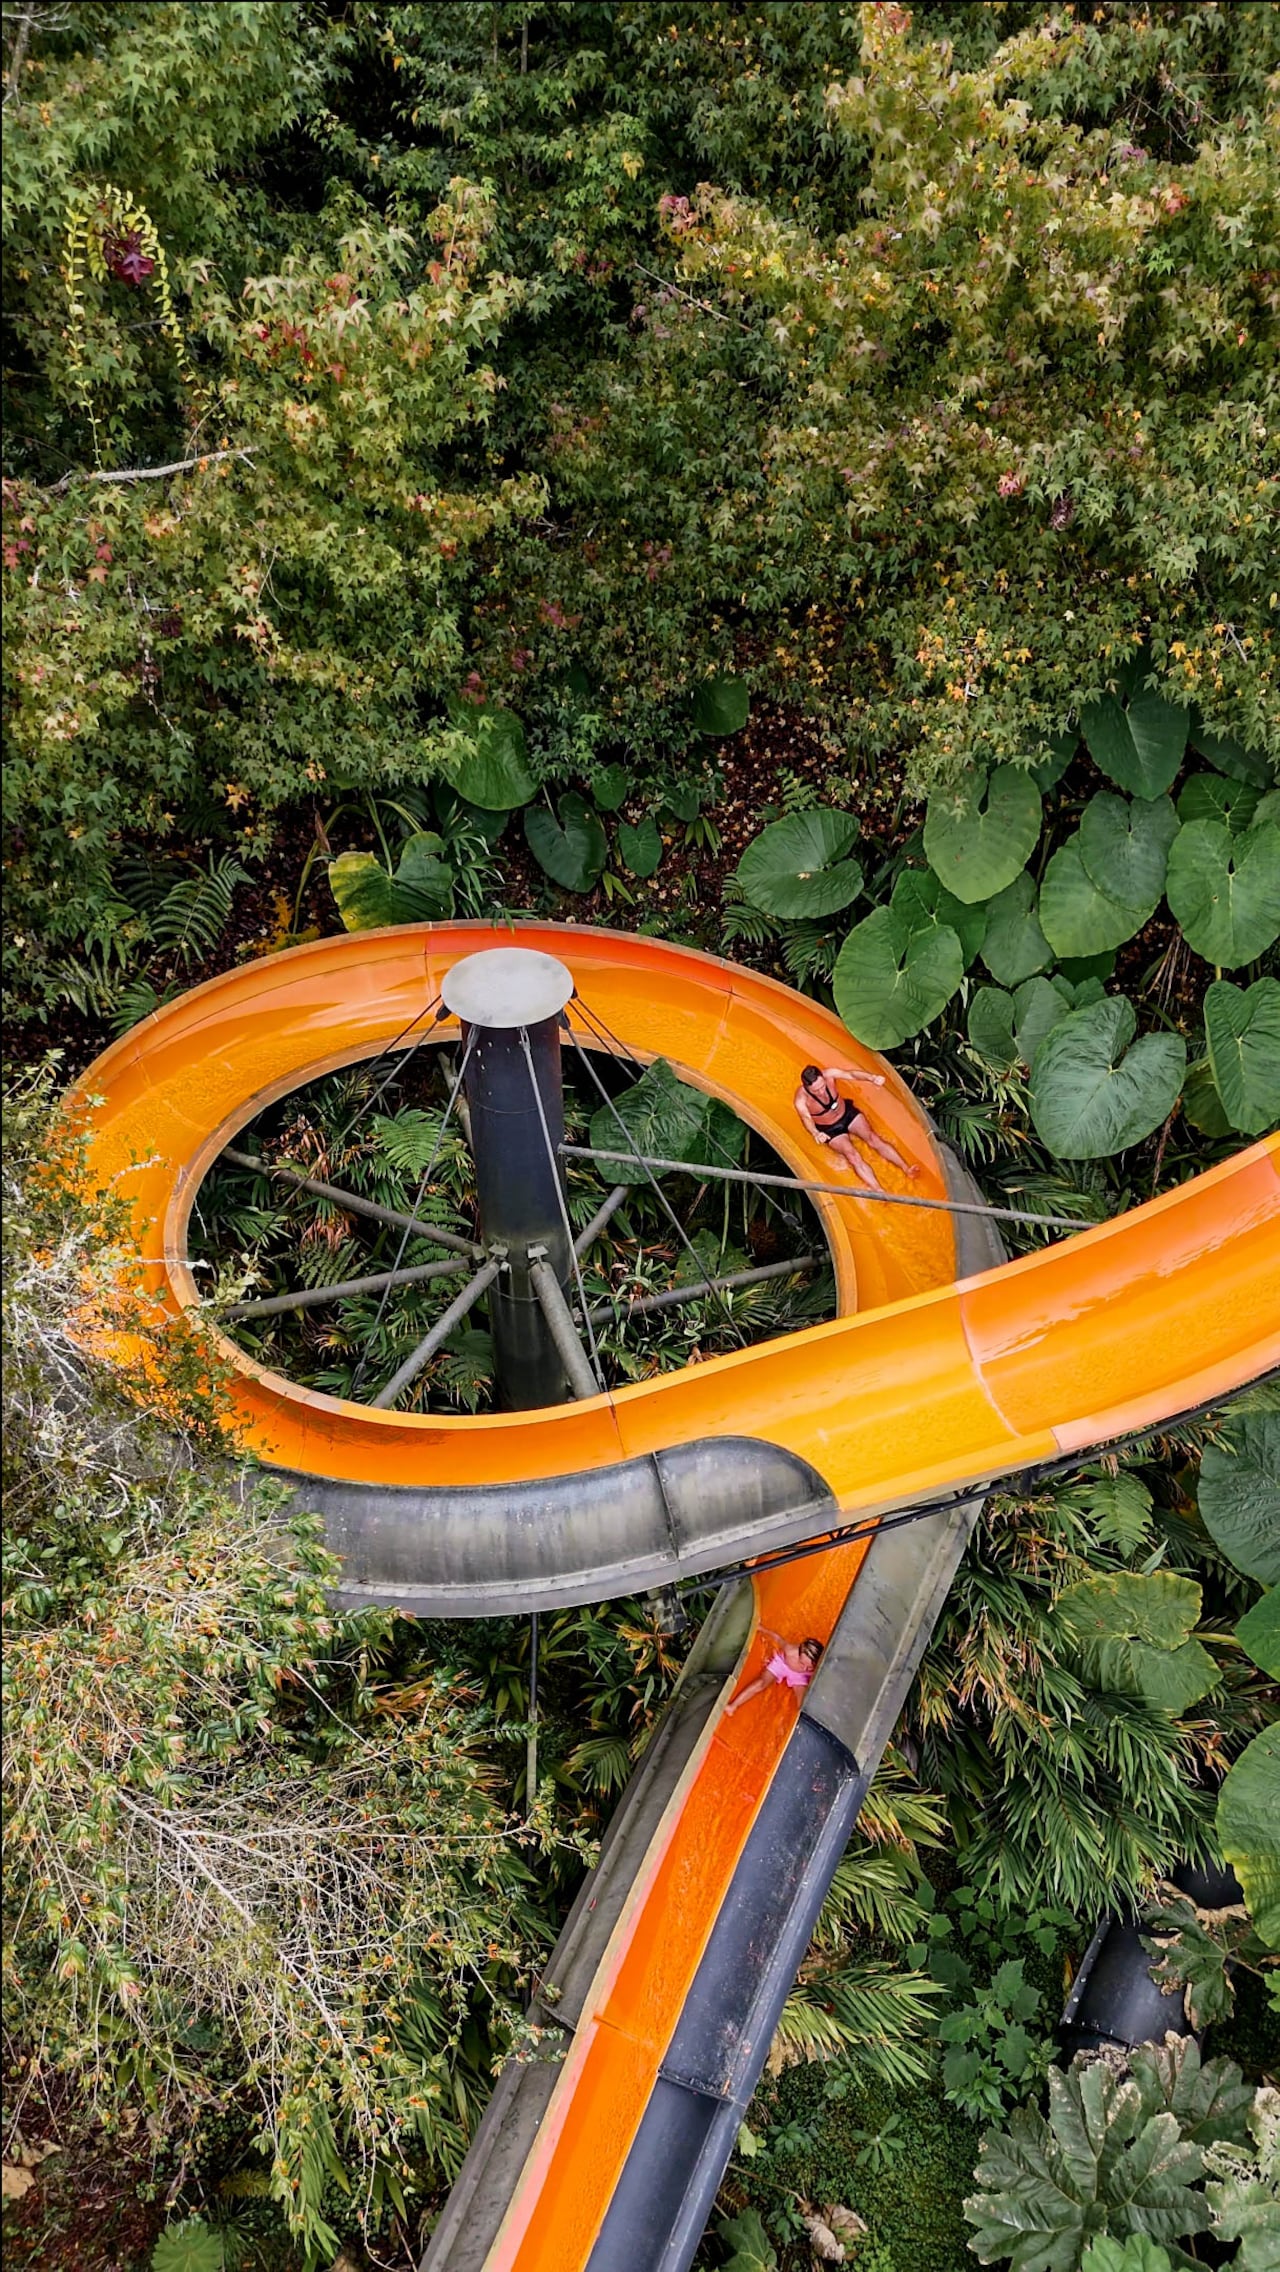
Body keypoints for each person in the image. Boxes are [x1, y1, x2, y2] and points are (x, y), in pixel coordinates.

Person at [793, 1063, 918, 1191]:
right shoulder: (801, 1099)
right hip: (830, 1129)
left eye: (822, 1086)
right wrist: (815, 1133)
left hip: (847, 1113)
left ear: (823, 1078)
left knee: (873, 1138)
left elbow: (851, 1074)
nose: (821, 1092)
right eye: (816, 1090)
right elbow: (806, 1117)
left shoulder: (829, 1074)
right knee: (852, 1155)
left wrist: (872, 1078)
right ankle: (878, 1190)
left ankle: (906, 1168)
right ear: (807, 1088)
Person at [724, 1631, 824, 1716]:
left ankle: (805, 1723)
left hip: (798, 1677)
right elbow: (776, 1637)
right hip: (782, 1665)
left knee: (802, 1700)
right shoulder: (789, 1650)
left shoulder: (818, 1663)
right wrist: (759, 1627)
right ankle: (732, 1706)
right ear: (798, 1654)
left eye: (810, 1667)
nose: (805, 1668)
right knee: (761, 1683)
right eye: (802, 1664)